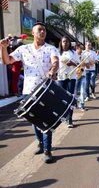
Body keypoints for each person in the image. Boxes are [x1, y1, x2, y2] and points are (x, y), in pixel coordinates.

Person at [0, 22, 59, 163]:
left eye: (44, 30)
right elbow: (7, 60)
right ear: (33, 33)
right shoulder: (24, 49)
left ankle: (47, 150)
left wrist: (52, 70)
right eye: (40, 30)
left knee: (45, 120)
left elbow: (55, 62)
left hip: (45, 89)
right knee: (34, 120)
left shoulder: (51, 48)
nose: (42, 32)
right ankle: (40, 142)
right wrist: (3, 48)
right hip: (29, 90)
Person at [57, 36, 78, 128]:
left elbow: (79, 65)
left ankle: (70, 119)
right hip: (61, 77)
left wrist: (72, 64)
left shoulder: (73, 53)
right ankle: (64, 115)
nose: (65, 43)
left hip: (71, 77)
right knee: (62, 98)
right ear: (61, 43)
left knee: (70, 97)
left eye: (67, 42)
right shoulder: (57, 53)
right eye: (64, 42)